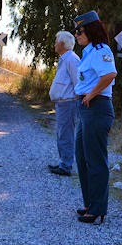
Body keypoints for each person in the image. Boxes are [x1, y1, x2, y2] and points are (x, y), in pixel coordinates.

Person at [73, 11, 117, 224]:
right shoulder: (88, 52)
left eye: (79, 31)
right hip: (86, 108)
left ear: (90, 30)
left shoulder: (101, 50)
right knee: (82, 156)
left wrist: (91, 94)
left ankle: (98, 209)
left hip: (97, 108)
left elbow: (109, 75)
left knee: (95, 159)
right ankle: (90, 203)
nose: (77, 35)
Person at [48, 31, 80, 176]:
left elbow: (78, 83)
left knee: (66, 134)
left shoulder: (72, 59)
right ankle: (63, 162)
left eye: (56, 41)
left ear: (62, 43)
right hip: (62, 104)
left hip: (68, 103)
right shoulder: (65, 59)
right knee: (61, 134)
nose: (54, 44)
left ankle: (66, 166)